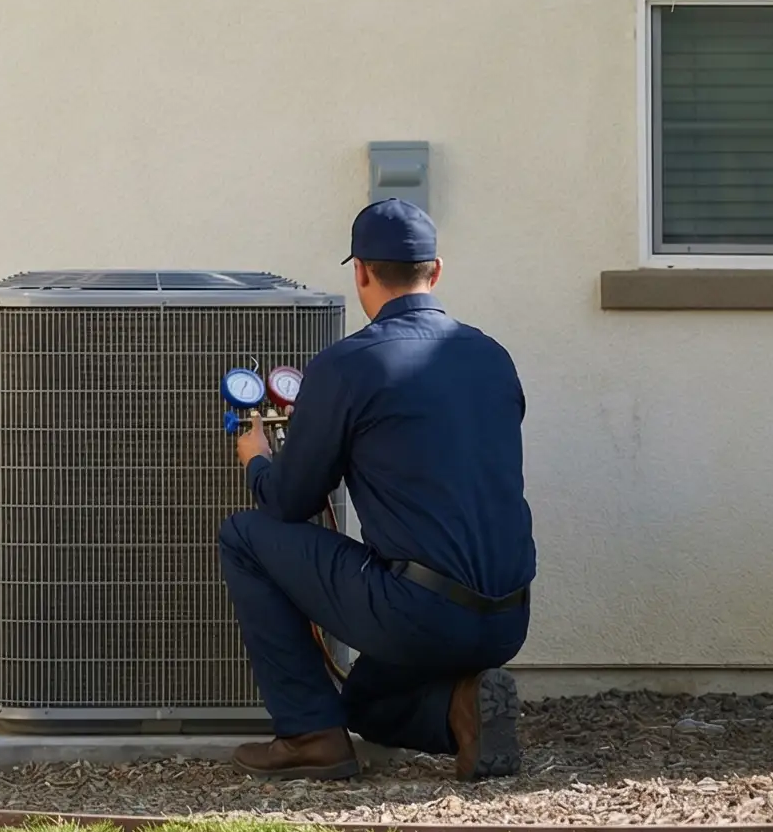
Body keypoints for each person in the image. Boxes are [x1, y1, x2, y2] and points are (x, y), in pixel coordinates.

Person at [218, 199, 535, 781]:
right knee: (366, 705)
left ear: (360, 271)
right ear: (435, 272)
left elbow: (291, 503)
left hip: (418, 613)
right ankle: (465, 709)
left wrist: (257, 460)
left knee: (243, 535)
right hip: (507, 618)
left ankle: (309, 734)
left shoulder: (348, 365)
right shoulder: (494, 357)